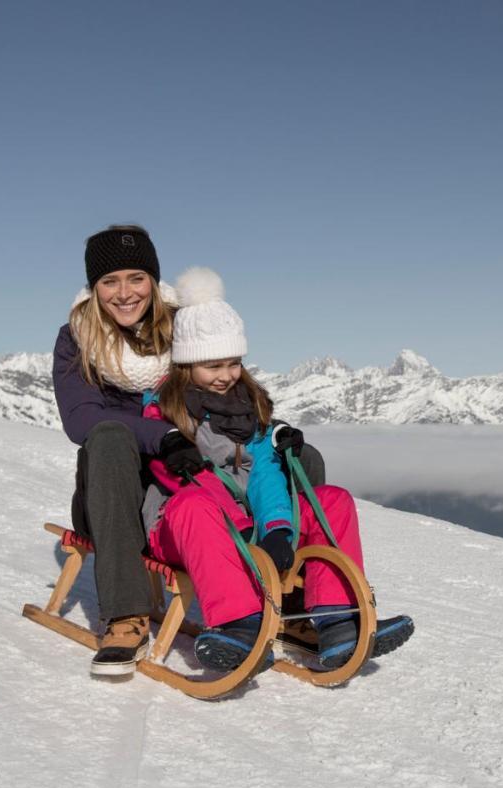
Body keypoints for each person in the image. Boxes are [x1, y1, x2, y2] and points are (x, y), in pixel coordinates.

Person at [142, 266, 414, 671]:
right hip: (182, 523)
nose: (226, 376)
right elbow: (180, 482)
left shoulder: (246, 407)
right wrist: (242, 526)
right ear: (186, 365)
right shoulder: (161, 411)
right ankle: (239, 626)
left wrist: (276, 530)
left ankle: (338, 622)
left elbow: (265, 472)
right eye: (212, 366)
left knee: (333, 500)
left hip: (246, 521)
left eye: (233, 363)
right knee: (196, 506)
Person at [52, 224, 177, 675]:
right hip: (107, 497)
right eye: (110, 281)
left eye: (136, 278)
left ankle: (302, 600)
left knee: (288, 455)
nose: (124, 293)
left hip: (176, 488)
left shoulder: (185, 332)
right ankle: (125, 613)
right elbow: (81, 420)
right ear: (93, 288)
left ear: (154, 282)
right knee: (106, 436)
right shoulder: (76, 339)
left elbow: (225, 392)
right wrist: (164, 436)